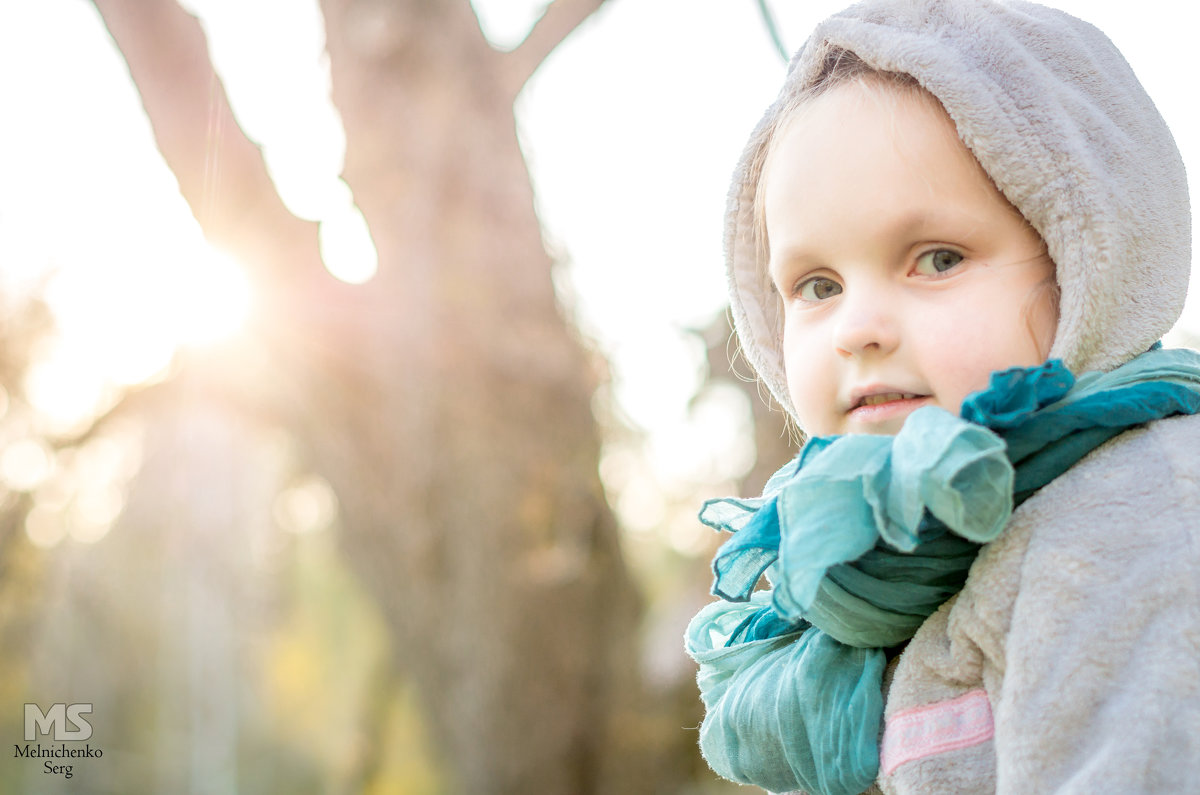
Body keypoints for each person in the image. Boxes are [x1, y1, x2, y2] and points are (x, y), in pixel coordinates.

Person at [684, 1, 1200, 794]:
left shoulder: (1130, 523)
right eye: (817, 284)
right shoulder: (875, 568)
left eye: (935, 258)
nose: (856, 327)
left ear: (1085, 258)